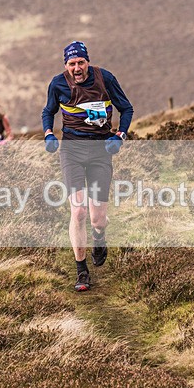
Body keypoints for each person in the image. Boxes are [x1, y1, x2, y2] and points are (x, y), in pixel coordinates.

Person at [42, 41, 134, 292]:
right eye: (72, 63)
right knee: (79, 211)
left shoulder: (105, 78)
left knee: (97, 219)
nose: (77, 68)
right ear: (66, 65)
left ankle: (100, 237)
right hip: (71, 150)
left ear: (87, 62)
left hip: (100, 152)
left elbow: (126, 108)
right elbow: (47, 112)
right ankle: (81, 271)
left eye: (81, 62)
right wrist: (49, 134)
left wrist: (120, 136)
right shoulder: (57, 84)